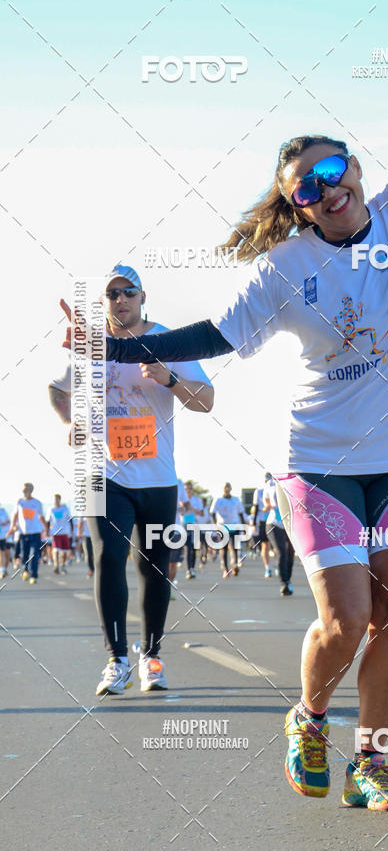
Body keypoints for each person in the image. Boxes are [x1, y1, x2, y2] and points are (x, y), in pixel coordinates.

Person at [91, 0, 388, 810]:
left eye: (335, 168)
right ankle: (308, 716)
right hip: (322, 459)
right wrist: (112, 349)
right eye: (308, 187)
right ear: (296, 209)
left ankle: (371, 761)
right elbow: (211, 337)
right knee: (343, 621)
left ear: (357, 169)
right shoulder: (283, 272)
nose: (329, 188)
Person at [52, 264, 214, 695]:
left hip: (158, 478)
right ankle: (116, 659)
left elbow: (207, 401)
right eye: (112, 293)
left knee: (156, 567)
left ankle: (152, 656)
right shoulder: (89, 345)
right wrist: (71, 420)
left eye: (129, 292)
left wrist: (171, 378)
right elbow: (58, 390)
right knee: (108, 557)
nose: (120, 299)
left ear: (143, 298)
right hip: (102, 475)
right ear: (103, 301)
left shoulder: (166, 342)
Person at [7, 484, 48, 584]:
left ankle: (33, 575)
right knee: (24, 555)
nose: (25, 491)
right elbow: (15, 515)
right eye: (24, 489)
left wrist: (46, 528)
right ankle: (25, 571)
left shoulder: (37, 503)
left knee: (34, 554)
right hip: (23, 533)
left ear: (32, 490)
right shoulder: (19, 502)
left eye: (27, 489)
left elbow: (41, 516)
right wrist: (12, 527)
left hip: (35, 532)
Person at [263, 474, 294, 595]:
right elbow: (266, 503)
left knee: (290, 553)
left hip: (290, 522)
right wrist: (269, 506)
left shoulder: (292, 480)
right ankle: (284, 582)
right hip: (274, 523)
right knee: (282, 552)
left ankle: (288, 579)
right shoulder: (269, 484)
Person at [210, 483, 246, 578]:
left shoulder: (236, 499)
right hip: (222, 526)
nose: (227, 489)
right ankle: (226, 569)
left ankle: (234, 565)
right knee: (224, 548)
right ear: (222, 489)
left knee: (234, 547)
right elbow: (212, 513)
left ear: (231, 488)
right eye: (225, 487)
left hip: (234, 525)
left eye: (228, 487)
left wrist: (244, 527)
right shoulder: (218, 500)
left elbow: (241, 513)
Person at [251, 472, 273, 576]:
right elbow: (255, 507)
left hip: (275, 520)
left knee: (277, 546)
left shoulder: (275, 489)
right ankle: (268, 568)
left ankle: (277, 566)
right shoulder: (258, 491)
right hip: (263, 520)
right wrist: (254, 523)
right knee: (265, 545)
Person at [48, 493, 73, 574]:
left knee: (64, 551)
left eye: (57, 499)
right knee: (55, 550)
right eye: (54, 499)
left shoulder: (65, 508)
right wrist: (47, 531)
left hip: (65, 532)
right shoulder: (51, 509)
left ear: (59, 499)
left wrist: (72, 530)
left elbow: (70, 519)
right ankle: (56, 565)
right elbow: (48, 521)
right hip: (55, 533)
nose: (56, 500)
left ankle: (63, 566)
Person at [0, 504, 11, 577]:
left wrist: (3, 523)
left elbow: (8, 521)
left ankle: (3, 569)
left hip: (2, 536)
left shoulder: (3, 511)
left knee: (3, 553)